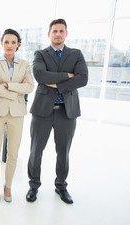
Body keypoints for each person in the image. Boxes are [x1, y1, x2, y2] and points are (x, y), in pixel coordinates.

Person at [26, 18, 88, 204]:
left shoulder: (76, 54)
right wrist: (67, 77)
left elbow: (83, 79)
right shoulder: (40, 54)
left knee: (63, 151)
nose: (58, 34)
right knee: (36, 150)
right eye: (55, 31)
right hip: (42, 111)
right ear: (49, 34)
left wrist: (57, 85)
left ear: (66, 33)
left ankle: (61, 186)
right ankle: (33, 185)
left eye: (61, 31)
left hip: (66, 111)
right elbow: (39, 75)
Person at [0, 29, 34, 202]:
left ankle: (8, 186)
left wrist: (7, 85)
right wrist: (16, 89)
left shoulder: (25, 64)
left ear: (18, 45)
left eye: (13, 42)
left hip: (17, 113)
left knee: (13, 153)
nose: (9, 45)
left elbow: (30, 87)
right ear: (2, 43)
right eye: (6, 42)